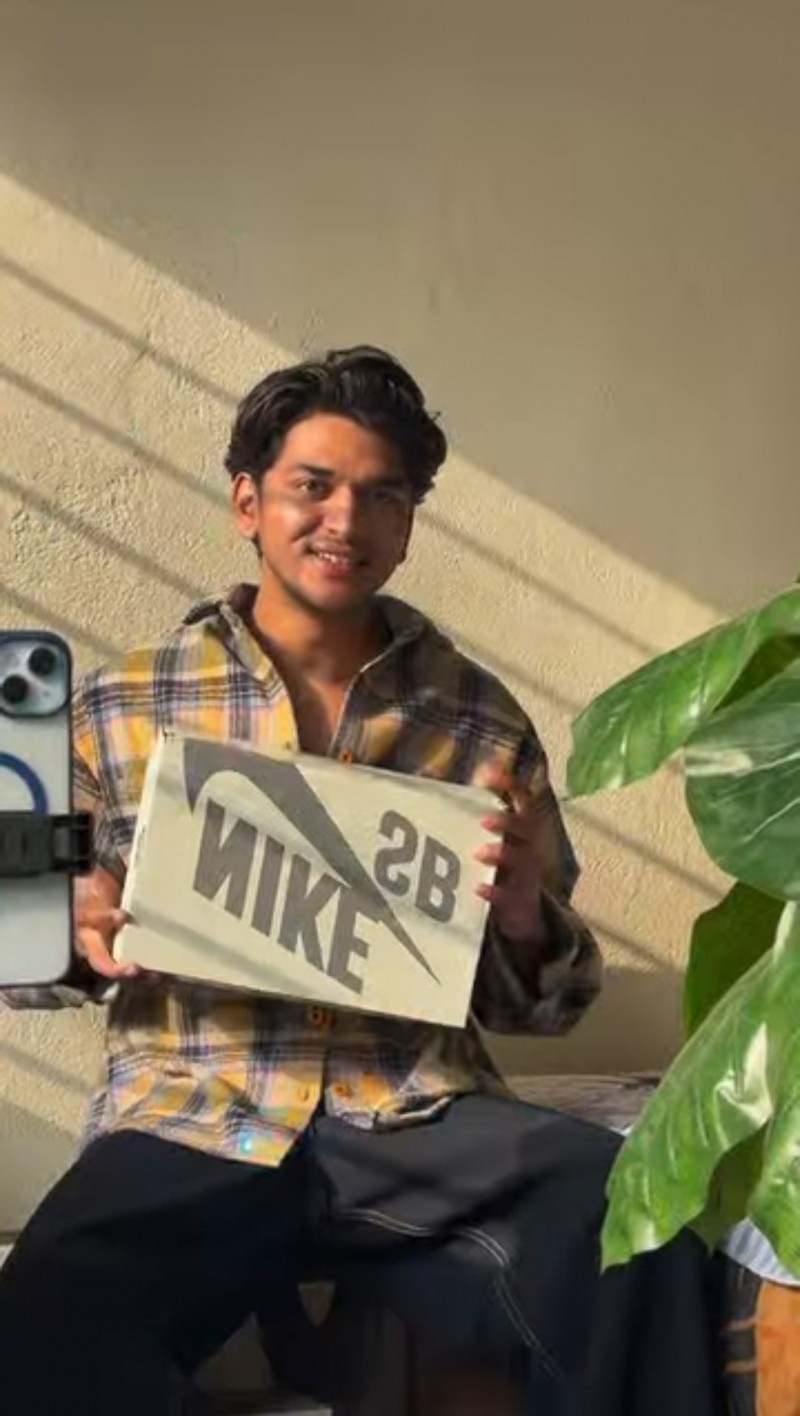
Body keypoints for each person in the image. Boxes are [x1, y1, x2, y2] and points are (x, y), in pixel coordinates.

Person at [0, 347, 721, 1415]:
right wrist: (71, 922)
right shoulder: (120, 704)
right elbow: (21, 964)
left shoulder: (477, 720)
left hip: (415, 1113)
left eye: (384, 495)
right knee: (34, 1335)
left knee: (633, 1232)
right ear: (248, 502)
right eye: (314, 485)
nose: (347, 519)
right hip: (193, 1112)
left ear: (409, 524)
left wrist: (525, 915)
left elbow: (547, 1006)